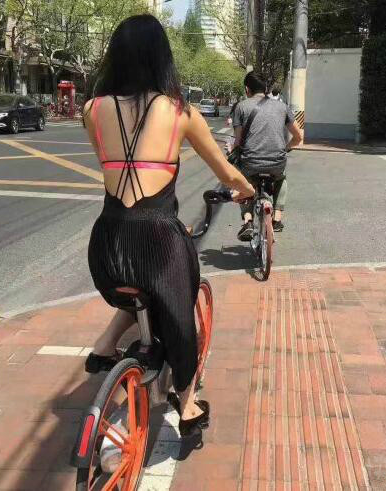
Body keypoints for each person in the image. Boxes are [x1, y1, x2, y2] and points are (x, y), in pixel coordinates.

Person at [82, 15, 255, 438]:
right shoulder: (180, 111)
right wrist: (247, 190)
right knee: (179, 319)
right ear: (162, 57)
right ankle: (189, 403)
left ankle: (104, 347)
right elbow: (226, 173)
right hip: (159, 240)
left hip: (107, 246)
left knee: (138, 290)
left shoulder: (91, 110)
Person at [233, 72, 302, 239]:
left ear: (247, 89)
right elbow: (298, 137)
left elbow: (238, 141)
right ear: (266, 88)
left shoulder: (241, 107)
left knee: (243, 181)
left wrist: (232, 150)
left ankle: (248, 220)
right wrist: (285, 149)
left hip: (250, 163)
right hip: (277, 162)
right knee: (281, 179)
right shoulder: (282, 107)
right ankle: (277, 218)